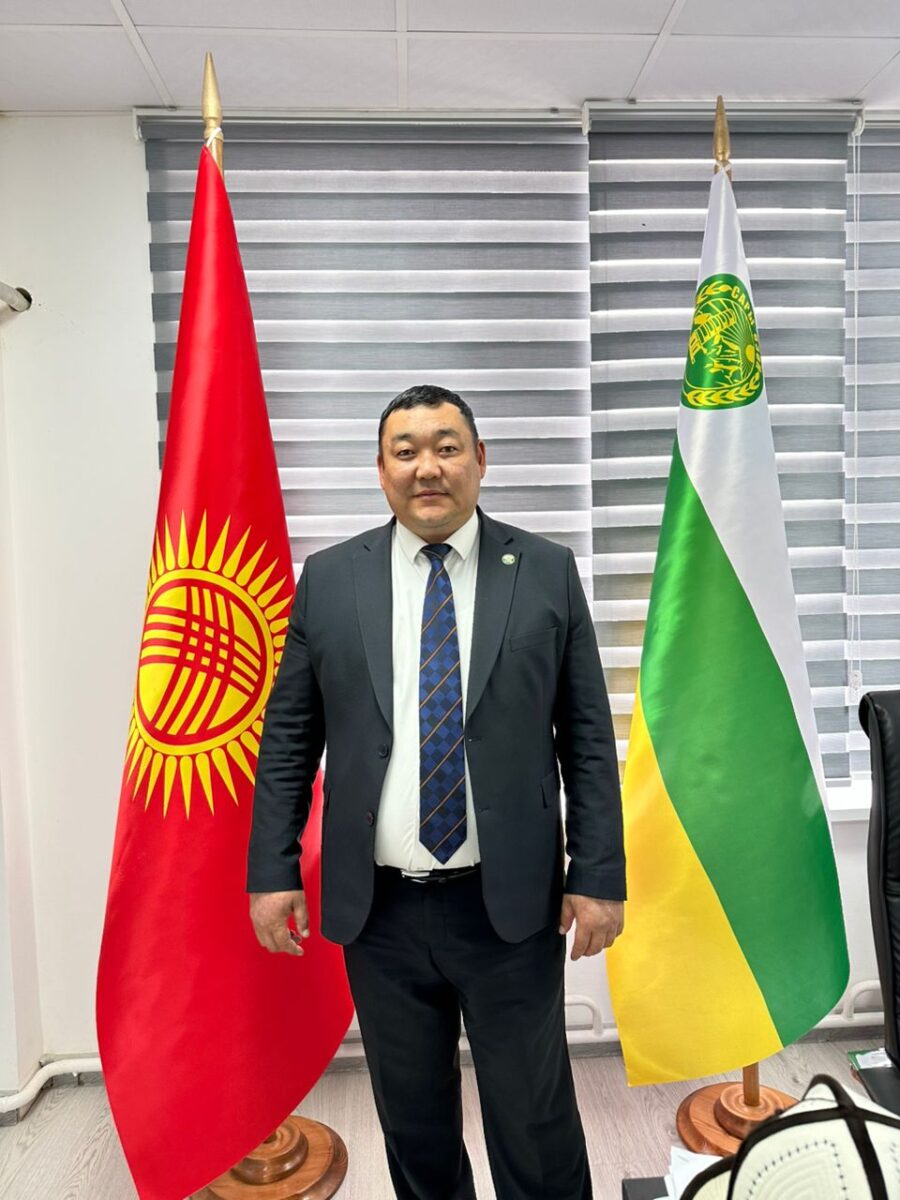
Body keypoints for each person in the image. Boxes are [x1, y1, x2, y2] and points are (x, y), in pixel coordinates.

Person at [246, 384, 625, 1200]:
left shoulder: (546, 572)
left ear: (480, 460)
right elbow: (288, 740)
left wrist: (598, 874)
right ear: (380, 470)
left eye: (447, 447)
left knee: (534, 1118)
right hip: (380, 912)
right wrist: (272, 871)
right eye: (406, 450)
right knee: (413, 1123)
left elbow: (589, 739)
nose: (428, 467)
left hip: (509, 907)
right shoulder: (330, 579)